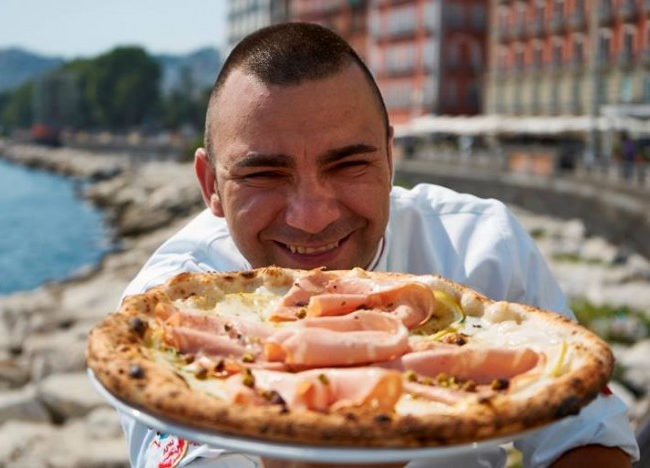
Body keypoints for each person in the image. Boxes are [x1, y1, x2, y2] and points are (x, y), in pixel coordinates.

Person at [118, 22, 639, 467]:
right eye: (264, 175)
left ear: (390, 158)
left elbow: (590, 436)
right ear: (210, 185)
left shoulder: (479, 244)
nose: (312, 215)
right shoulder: (168, 317)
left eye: (348, 164)